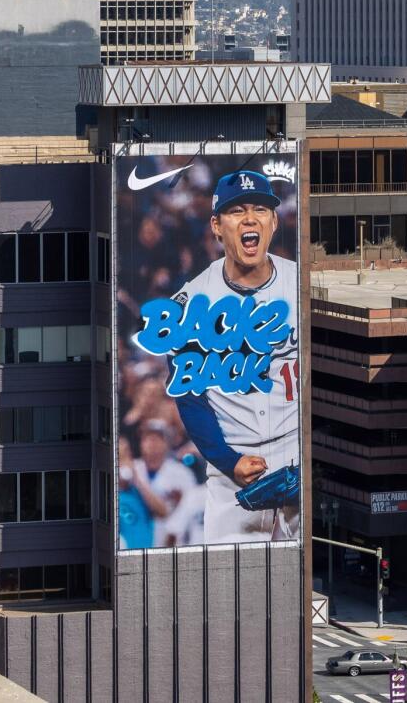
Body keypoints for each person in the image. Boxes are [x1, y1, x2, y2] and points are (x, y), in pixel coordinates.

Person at [139, 168, 301, 544]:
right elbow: (189, 398)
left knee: (304, 578)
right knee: (228, 587)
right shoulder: (191, 302)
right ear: (216, 225)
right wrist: (228, 461)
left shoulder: (300, 282)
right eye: (236, 210)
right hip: (233, 472)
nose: (250, 219)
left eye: (260, 209)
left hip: (297, 453)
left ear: (274, 221)